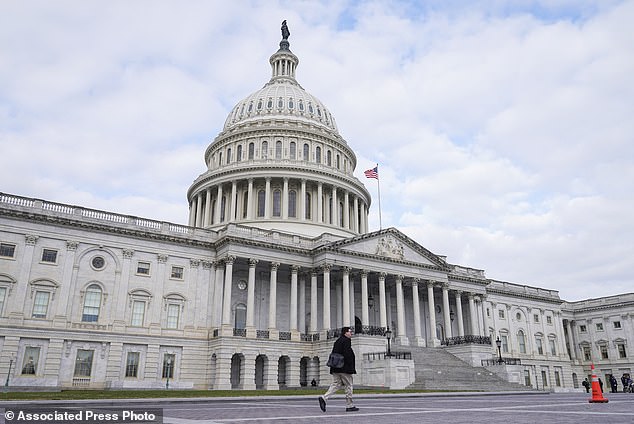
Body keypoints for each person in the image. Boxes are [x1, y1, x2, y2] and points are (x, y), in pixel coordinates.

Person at [319, 326, 358, 412]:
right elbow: (347, 354)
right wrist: (350, 367)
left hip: (335, 367)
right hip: (344, 368)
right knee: (349, 385)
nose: (351, 333)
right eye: (350, 332)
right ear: (345, 333)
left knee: (336, 384)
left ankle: (324, 397)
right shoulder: (346, 341)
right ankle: (349, 405)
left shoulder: (337, 341)